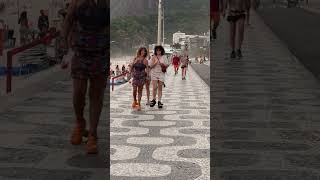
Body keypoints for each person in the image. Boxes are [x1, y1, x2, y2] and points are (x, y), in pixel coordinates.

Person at [63, 0, 108, 154]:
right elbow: (68, 19)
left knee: (96, 94)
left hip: (101, 53)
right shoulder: (77, 2)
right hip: (80, 52)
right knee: (78, 92)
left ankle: (93, 134)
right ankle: (80, 122)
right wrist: (64, 44)